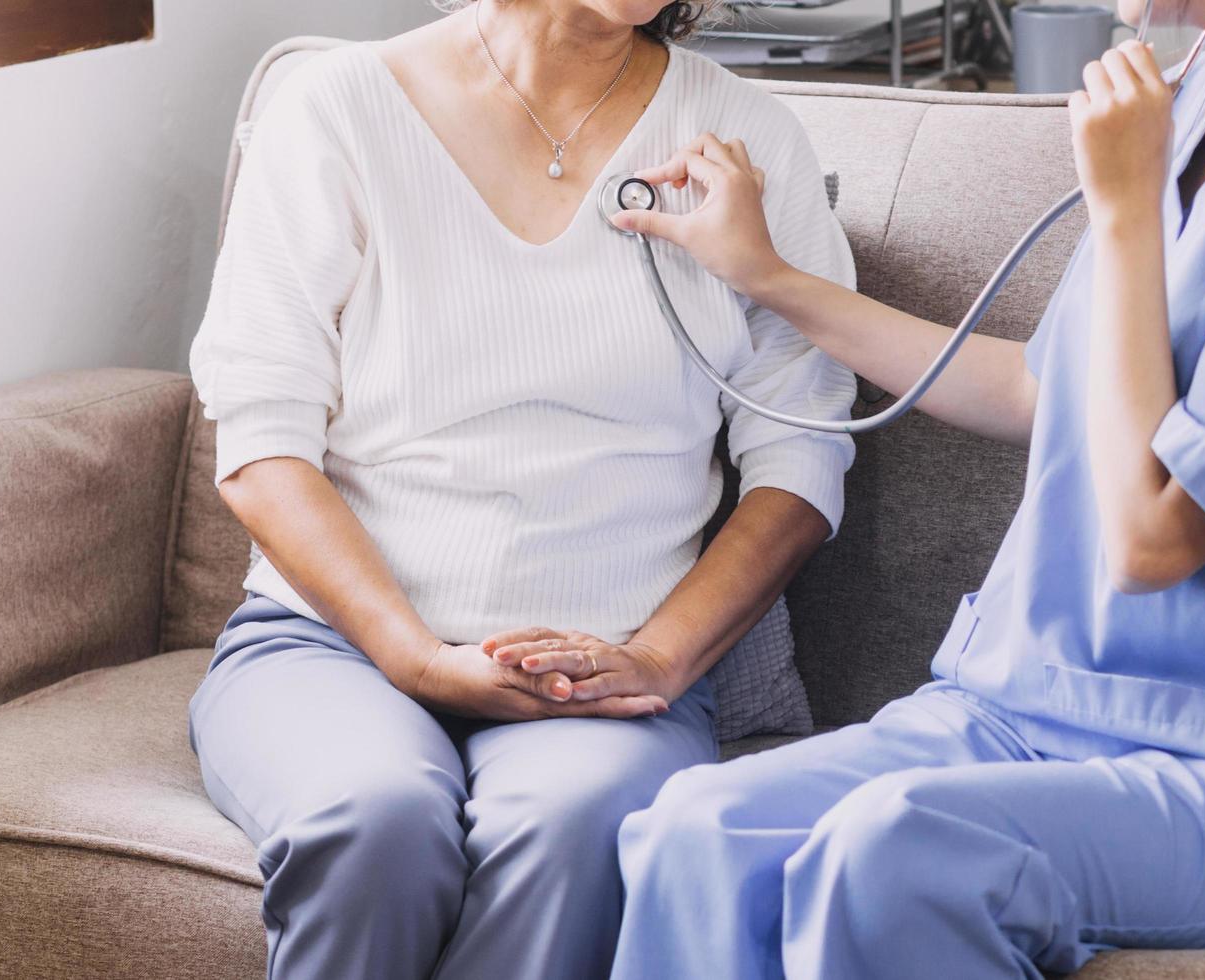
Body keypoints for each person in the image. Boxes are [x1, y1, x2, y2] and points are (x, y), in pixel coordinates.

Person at [606, 0, 1205, 975]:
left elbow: (1151, 536)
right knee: (696, 827)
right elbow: (1040, 385)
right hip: (1025, 707)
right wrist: (766, 275)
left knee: (898, 852)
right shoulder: (1196, 92)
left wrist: (1122, 213)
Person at [182, 0, 856, 977]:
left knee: (570, 823)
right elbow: (260, 443)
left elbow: (800, 456)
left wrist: (661, 661)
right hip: (331, 649)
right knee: (373, 819)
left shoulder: (747, 144)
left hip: (610, 666)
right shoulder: (329, 109)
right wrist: (411, 655)